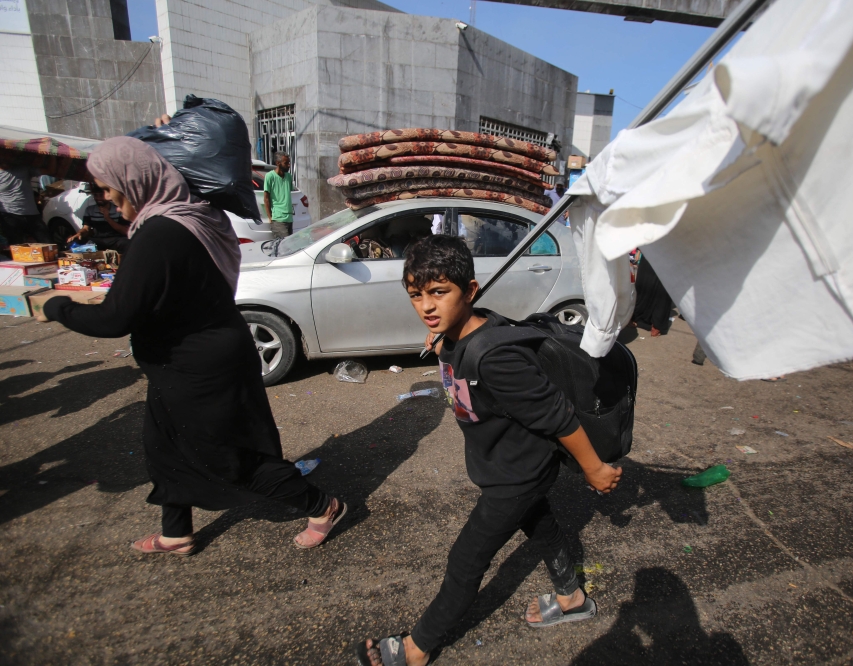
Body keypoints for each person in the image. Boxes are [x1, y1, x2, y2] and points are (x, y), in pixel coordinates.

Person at [42, 137, 346, 556]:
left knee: (226, 459)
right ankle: (176, 532)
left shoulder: (161, 232)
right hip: (189, 360)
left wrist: (55, 306)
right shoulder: (192, 217)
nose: (105, 198)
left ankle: (321, 505)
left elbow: (113, 318)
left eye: (107, 186)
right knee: (163, 446)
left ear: (135, 180)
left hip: (198, 368)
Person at [356, 235, 621, 666]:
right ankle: (572, 597)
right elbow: (460, 345)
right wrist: (443, 344)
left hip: (516, 475)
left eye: (440, 293)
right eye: (416, 295)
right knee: (538, 521)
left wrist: (594, 469)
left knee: (466, 560)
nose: (427, 306)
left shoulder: (497, 358)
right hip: (505, 464)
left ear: (471, 292)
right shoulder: (457, 333)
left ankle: (418, 647)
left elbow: (558, 416)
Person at [67, 183, 131, 252]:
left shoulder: (117, 210)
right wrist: (79, 233)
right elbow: (86, 228)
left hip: (115, 239)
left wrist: (107, 218)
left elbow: (124, 231)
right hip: (97, 240)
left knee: (126, 243)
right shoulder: (90, 210)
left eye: (101, 195)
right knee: (74, 242)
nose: (98, 198)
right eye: (96, 195)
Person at [0, 166, 53, 245]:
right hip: (10, 216)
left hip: (32, 215)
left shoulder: (22, 168)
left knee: (48, 244)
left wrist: (52, 155)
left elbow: (49, 170)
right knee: (16, 247)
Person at [631, 250, 673, 337]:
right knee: (644, 283)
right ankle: (636, 317)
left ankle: (657, 325)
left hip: (669, 251)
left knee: (662, 288)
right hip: (651, 248)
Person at [263, 151, 294, 238]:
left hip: (289, 218)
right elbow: (266, 198)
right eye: (286, 163)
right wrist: (270, 218)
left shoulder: (288, 176)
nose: (288, 165)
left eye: (289, 162)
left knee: (289, 246)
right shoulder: (270, 176)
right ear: (278, 163)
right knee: (284, 246)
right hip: (278, 219)